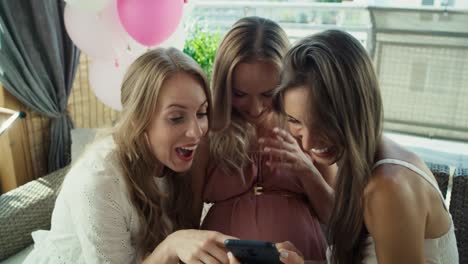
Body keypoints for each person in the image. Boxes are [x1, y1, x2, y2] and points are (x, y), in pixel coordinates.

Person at [253, 29, 459, 264]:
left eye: (323, 123)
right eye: (294, 121)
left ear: (355, 109)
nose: (308, 143)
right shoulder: (366, 158)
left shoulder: (388, 188)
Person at [24, 48, 235, 264]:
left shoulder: (183, 156)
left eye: (201, 113)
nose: (196, 131)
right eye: (176, 117)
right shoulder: (98, 182)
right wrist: (170, 246)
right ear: (137, 119)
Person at [192, 16, 336, 261]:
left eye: (268, 94)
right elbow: (187, 218)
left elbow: (336, 219)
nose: (255, 108)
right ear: (224, 85)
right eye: (239, 94)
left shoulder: (308, 126)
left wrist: (306, 171)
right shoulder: (207, 131)